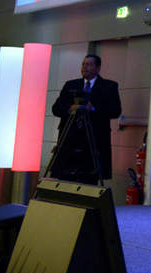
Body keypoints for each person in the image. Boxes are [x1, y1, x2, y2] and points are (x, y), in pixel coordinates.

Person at [49, 53, 122, 184]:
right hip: (69, 141)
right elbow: (56, 109)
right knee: (64, 182)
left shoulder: (109, 86)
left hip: (93, 142)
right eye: (83, 64)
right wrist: (70, 109)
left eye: (89, 64)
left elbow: (115, 111)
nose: (84, 67)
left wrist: (93, 108)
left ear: (98, 68)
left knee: (89, 182)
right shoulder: (71, 85)